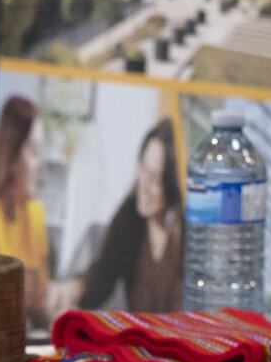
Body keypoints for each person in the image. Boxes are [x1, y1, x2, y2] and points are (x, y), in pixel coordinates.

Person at [63, 121, 183, 314]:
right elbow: (101, 280)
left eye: (154, 178)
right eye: (142, 169)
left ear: (171, 185)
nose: (143, 185)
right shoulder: (129, 218)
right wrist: (74, 289)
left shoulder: (184, 233)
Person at [0, 95, 51, 326]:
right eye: (34, 151)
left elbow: (40, 297)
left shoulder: (36, 213)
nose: (40, 163)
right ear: (12, 158)